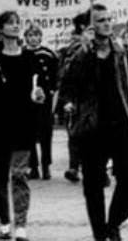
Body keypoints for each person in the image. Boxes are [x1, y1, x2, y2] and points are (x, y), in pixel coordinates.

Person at [60, 4, 128, 241]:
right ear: (90, 25)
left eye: (109, 19)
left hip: (121, 125)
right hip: (92, 128)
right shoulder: (79, 53)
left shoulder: (121, 51)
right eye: (100, 20)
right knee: (93, 187)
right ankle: (100, 233)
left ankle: (113, 223)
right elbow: (67, 83)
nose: (107, 23)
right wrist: (84, 51)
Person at [0, 11, 46, 241]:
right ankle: (4, 221)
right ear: (0, 29)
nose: (16, 26)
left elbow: (39, 89)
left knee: (19, 175)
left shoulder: (30, 58)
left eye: (18, 23)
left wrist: (39, 95)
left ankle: (21, 224)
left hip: (22, 124)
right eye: (10, 23)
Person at [57, 10, 91, 183]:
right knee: (76, 133)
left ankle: (96, 169)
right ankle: (75, 166)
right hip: (79, 98)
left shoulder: (112, 47)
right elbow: (65, 76)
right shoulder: (72, 50)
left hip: (101, 99)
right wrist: (67, 100)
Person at [23, 24, 58, 181]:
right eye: (30, 35)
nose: (33, 38)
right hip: (27, 98)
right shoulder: (22, 54)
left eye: (36, 35)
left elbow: (55, 77)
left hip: (45, 98)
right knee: (29, 132)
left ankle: (46, 165)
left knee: (46, 132)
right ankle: (33, 166)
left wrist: (51, 92)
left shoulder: (48, 54)